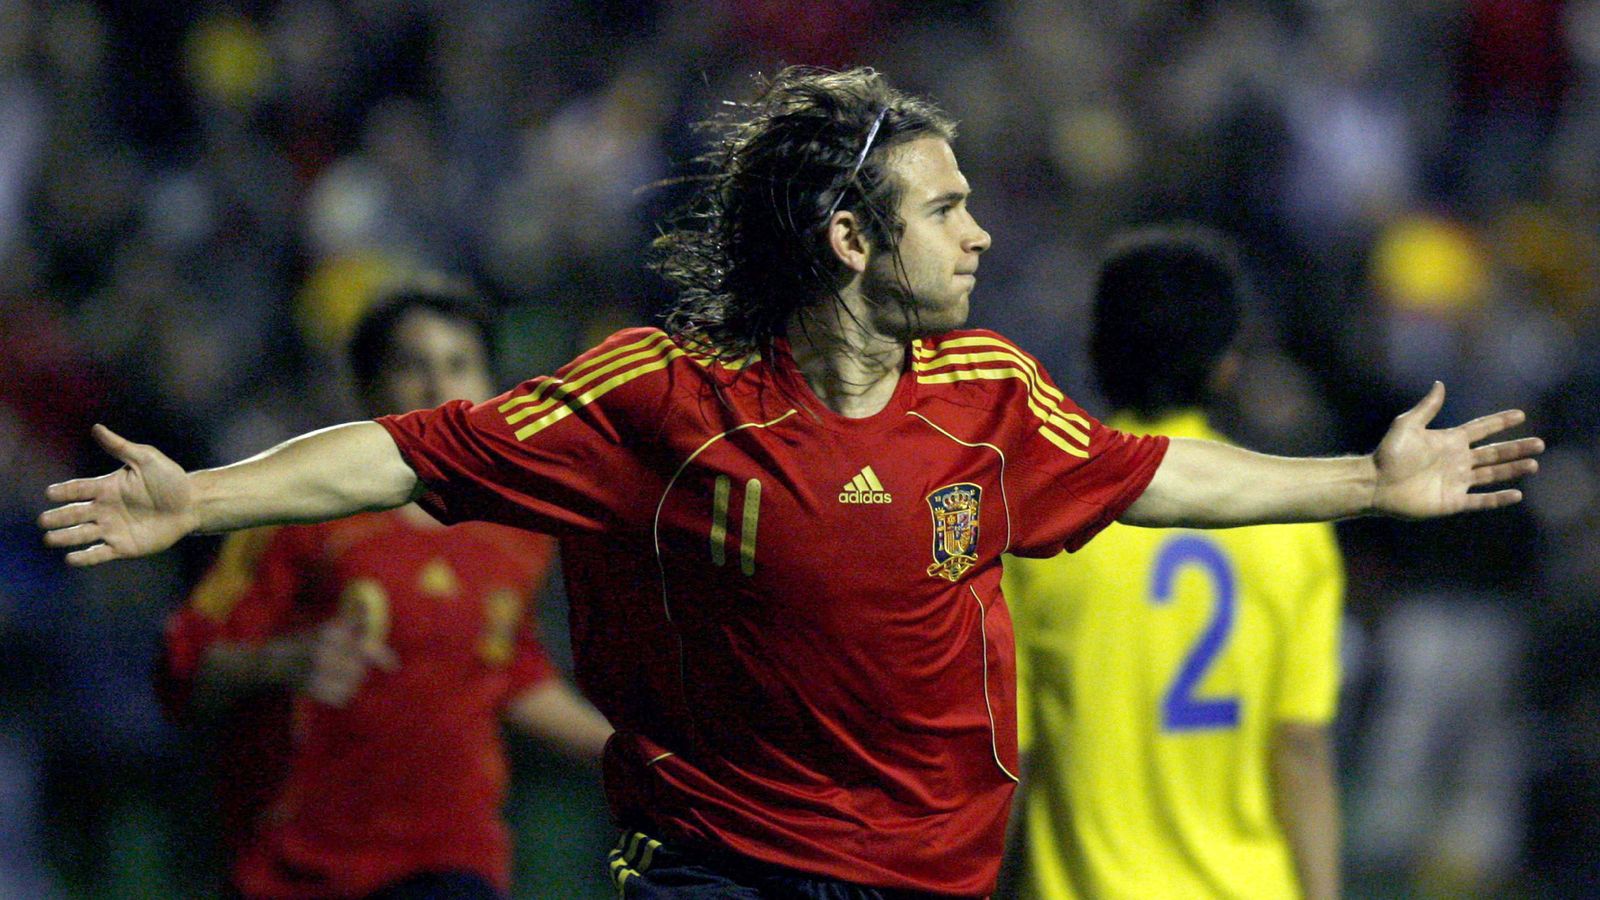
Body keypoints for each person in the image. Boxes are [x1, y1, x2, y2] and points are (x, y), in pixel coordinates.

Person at [41, 67, 1541, 899]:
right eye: (945, 209)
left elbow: (1157, 479)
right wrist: (203, 499)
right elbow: (410, 454)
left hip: (932, 881)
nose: (981, 237)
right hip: (722, 873)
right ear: (847, 238)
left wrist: (1368, 479)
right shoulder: (664, 400)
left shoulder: (987, 398)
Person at [153, 284, 614, 900]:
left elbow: (507, 664)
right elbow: (181, 663)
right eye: (412, 366)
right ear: (367, 393)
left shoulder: (519, 528)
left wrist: (627, 755)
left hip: (455, 856)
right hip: (300, 862)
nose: (439, 388)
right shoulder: (299, 512)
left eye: (460, 364)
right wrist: (283, 660)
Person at [1001, 227, 1343, 899]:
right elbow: (1298, 747)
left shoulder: (1039, 520)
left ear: (1096, 351)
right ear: (1227, 364)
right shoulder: (1295, 525)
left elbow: (1007, 753)